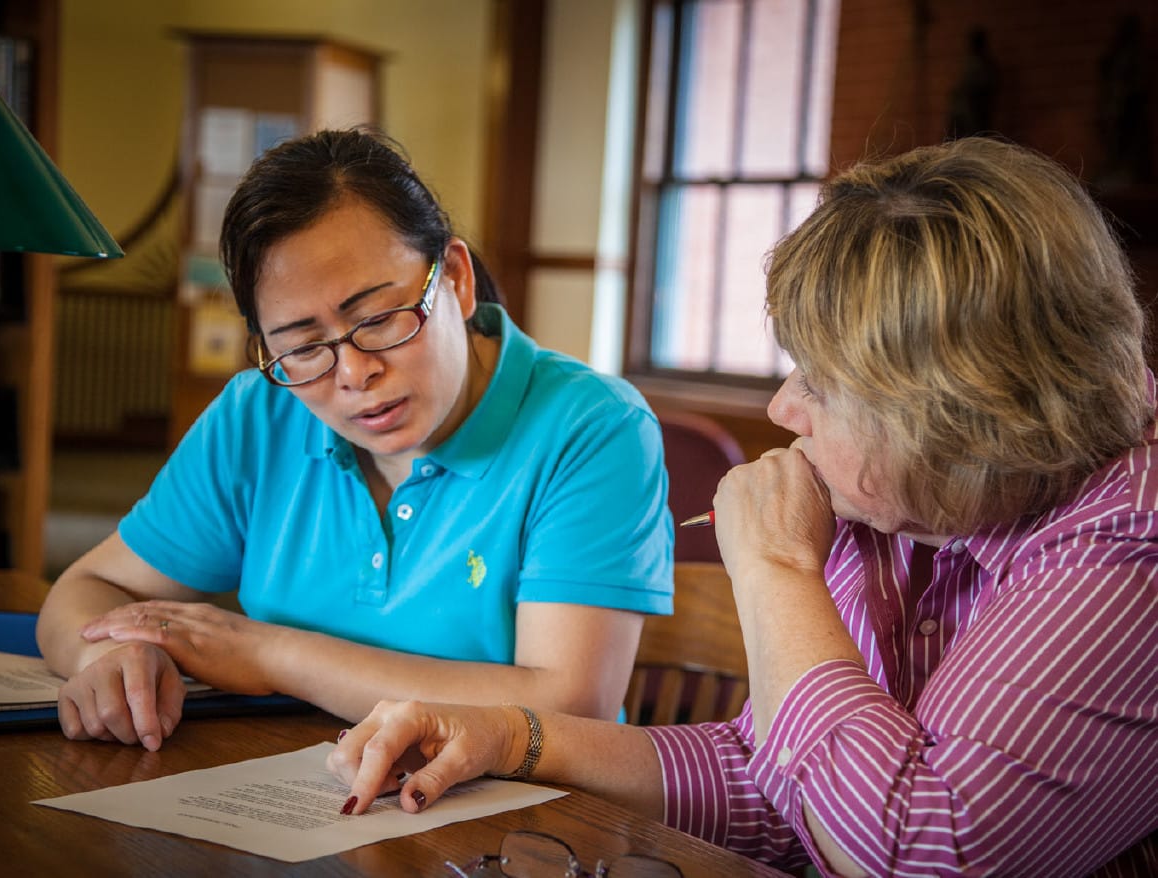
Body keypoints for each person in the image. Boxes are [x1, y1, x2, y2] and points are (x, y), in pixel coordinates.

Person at [327, 137, 1158, 876]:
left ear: (960, 416)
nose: (782, 411)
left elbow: (908, 850)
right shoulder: (912, 499)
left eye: (821, 385)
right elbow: (786, 778)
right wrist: (510, 738)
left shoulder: (1129, 539)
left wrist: (777, 570)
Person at [35, 128, 673, 752]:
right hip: (301, 796)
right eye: (303, 347)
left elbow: (571, 708)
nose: (354, 373)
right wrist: (113, 657)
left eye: (378, 319)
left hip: (526, 824)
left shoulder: (592, 427)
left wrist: (274, 653)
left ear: (454, 276)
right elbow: (86, 590)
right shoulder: (261, 413)